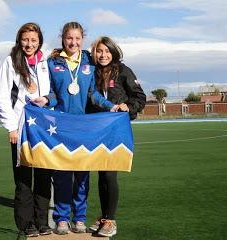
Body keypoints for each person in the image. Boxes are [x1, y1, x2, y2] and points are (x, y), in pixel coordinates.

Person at [32, 22, 124, 235]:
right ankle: (62, 218)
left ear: (82, 39)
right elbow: (54, 93)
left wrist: (112, 106)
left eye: (77, 38)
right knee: (63, 174)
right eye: (69, 38)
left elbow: (93, 94)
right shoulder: (53, 62)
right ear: (62, 39)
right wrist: (45, 99)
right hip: (61, 126)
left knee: (82, 175)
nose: (73, 42)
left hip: (84, 126)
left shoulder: (89, 61)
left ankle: (79, 217)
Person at [0, 22, 53, 237]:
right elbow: (2, 96)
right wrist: (11, 127)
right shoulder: (11, 62)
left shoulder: (45, 61)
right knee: (24, 179)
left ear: (39, 42)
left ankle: (42, 222)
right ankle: (26, 224)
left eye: (33, 40)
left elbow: (51, 91)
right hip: (21, 129)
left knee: (44, 177)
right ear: (19, 39)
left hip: (45, 129)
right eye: (25, 40)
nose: (29, 44)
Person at [87, 36, 146, 237]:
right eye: (99, 51)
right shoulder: (92, 71)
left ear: (113, 51)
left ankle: (111, 220)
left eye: (107, 51)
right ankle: (104, 217)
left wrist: (128, 107)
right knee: (102, 174)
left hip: (116, 130)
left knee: (110, 174)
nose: (103, 55)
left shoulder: (123, 70)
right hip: (96, 129)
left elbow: (140, 96)